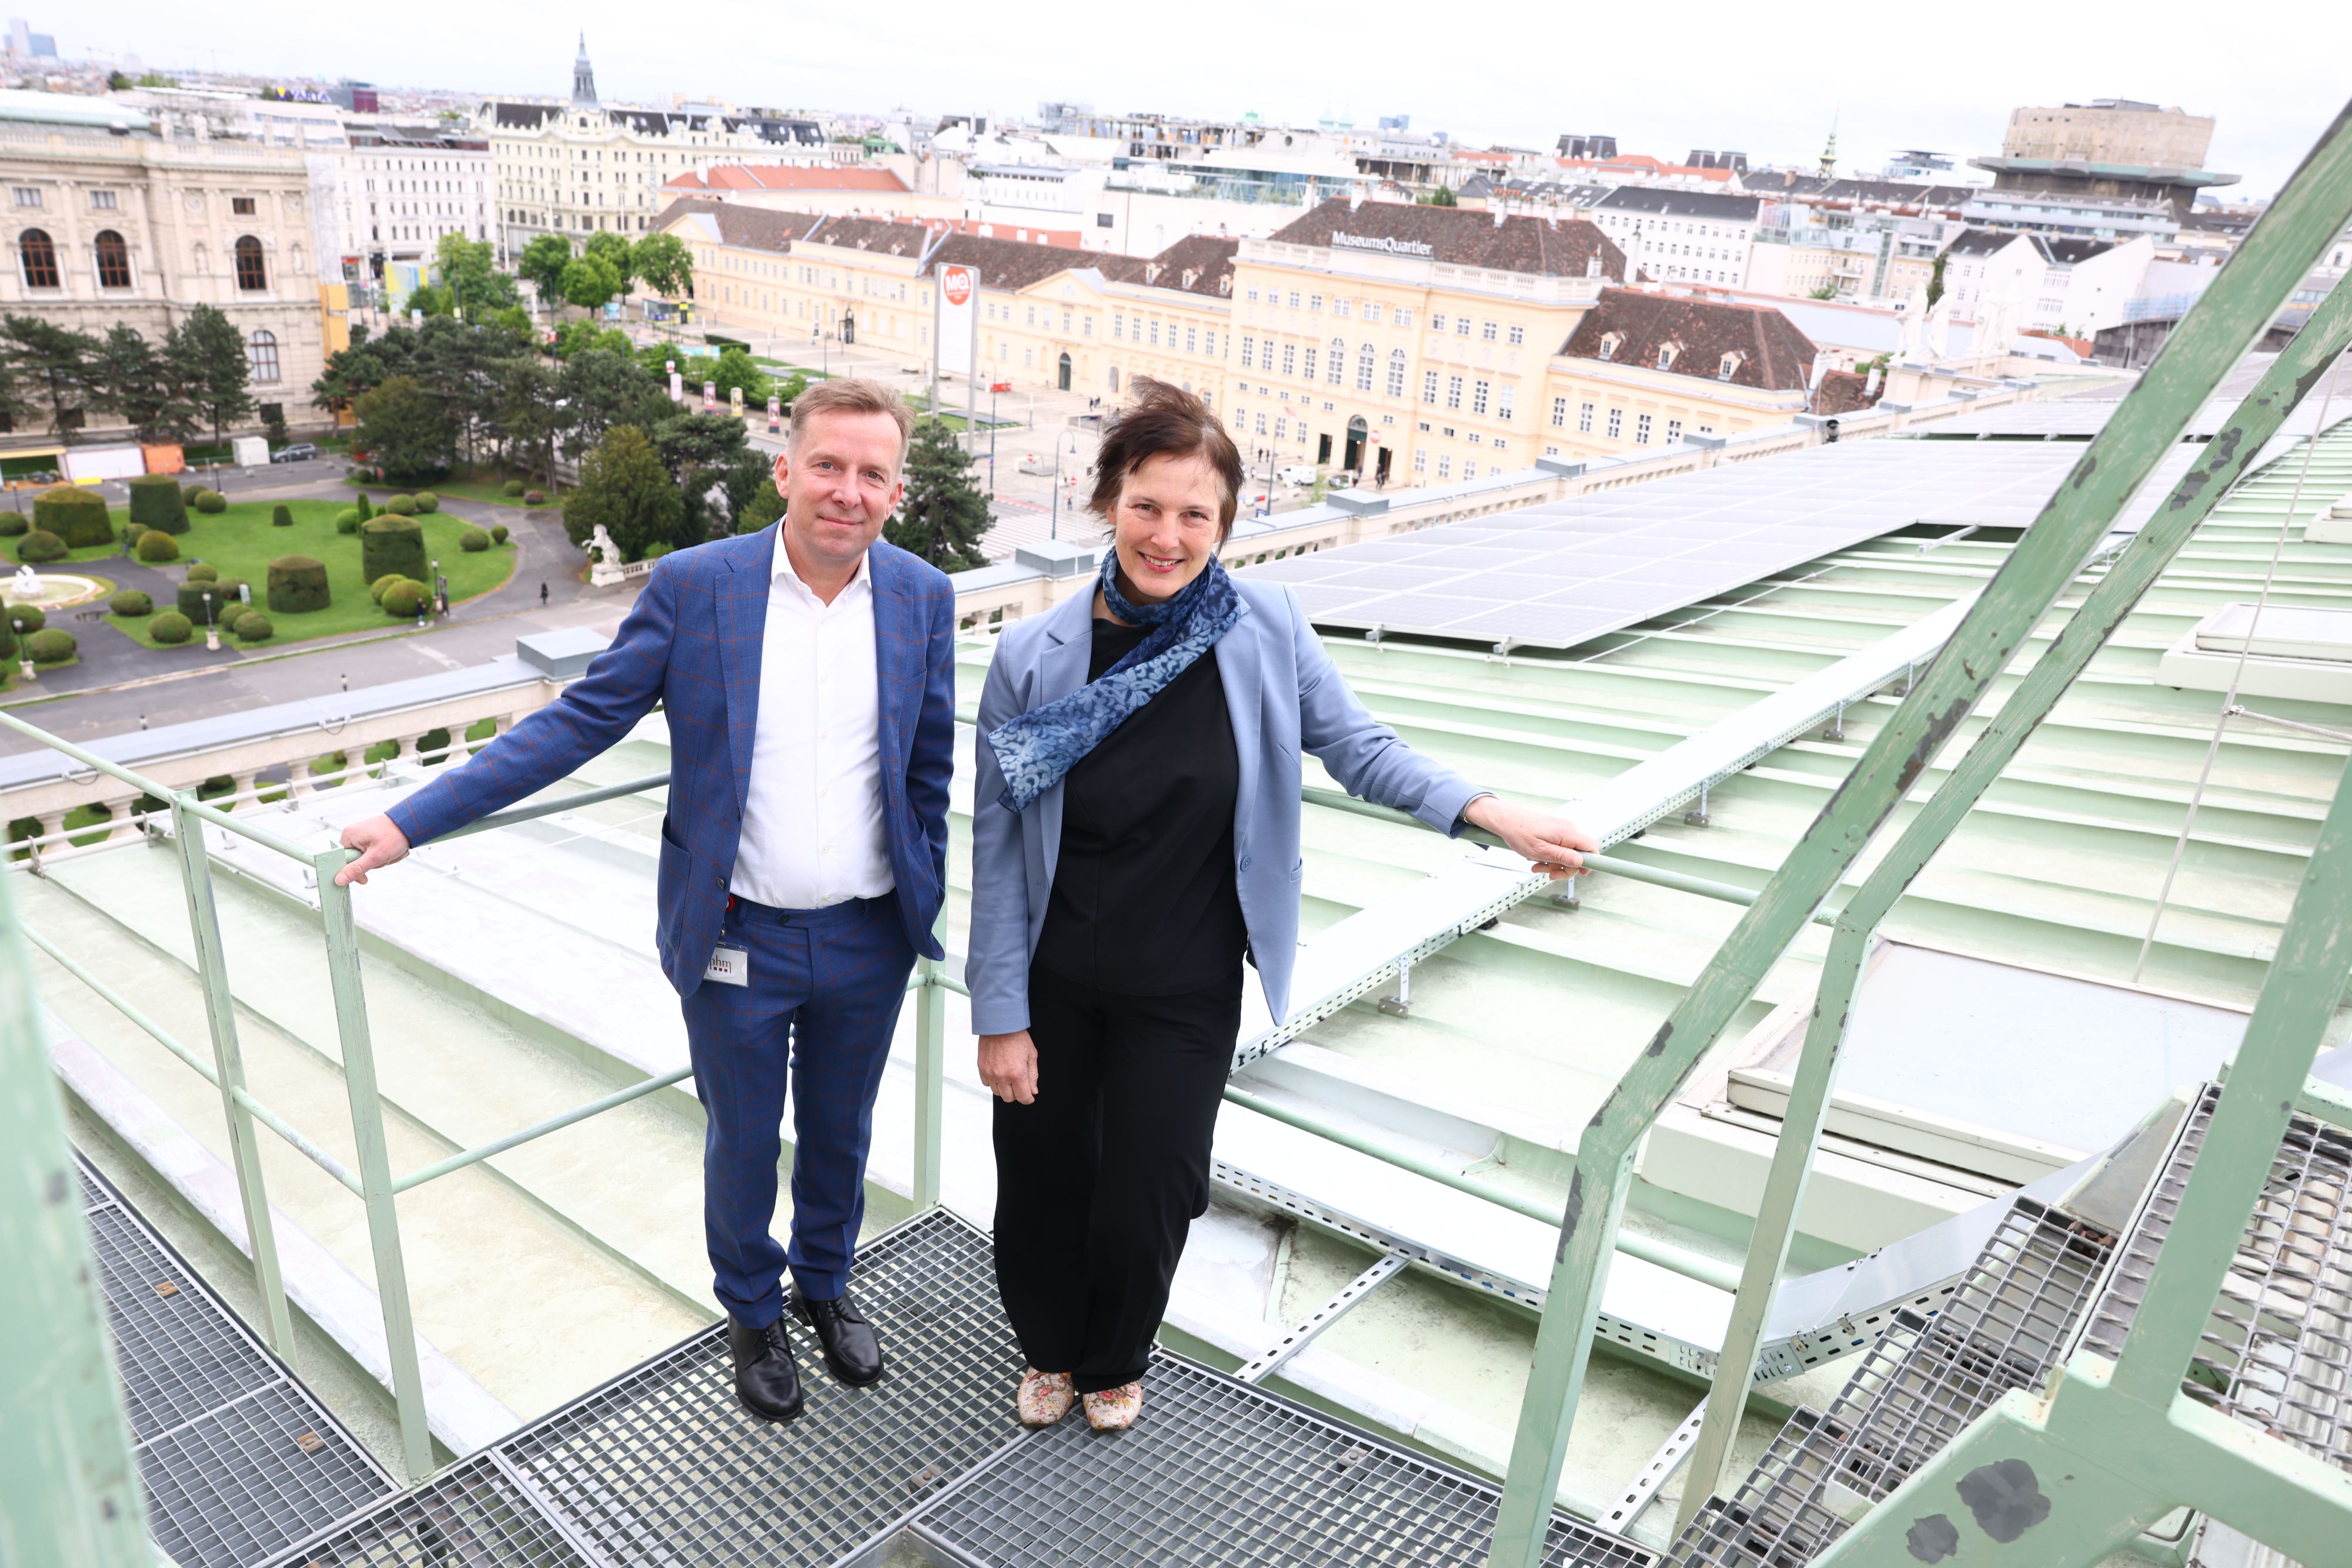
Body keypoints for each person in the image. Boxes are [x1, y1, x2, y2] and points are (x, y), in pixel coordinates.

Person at [966, 380, 1592, 1432]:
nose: (1167, 536)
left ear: (1227, 520)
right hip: (1052, 979)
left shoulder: (1263, 628)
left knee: (1152, 1190)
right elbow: (994, 840)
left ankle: (1117, 1354)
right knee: (1040, 1185)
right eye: (1147, 507)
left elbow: (1357, 748)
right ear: (1109, 502)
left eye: (1194, 514)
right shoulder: (1035, 656)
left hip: (1185, 983)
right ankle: (1050, 1350)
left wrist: (1488, 813)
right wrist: (998, 1010)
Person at [333, 379, 956, 1427]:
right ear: (785, 470)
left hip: (867, 935)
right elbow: (576, 724)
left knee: (844, 1131)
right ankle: (753, 1312)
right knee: (743, 1142)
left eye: (872, 474)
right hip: (736, 939)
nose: (848, 491)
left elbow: (927, 761)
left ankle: (827, 1286)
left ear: (898, 489)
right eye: (828, 466)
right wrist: (414, 819)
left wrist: (921, 876)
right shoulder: (697, 586)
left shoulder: (919, 597)